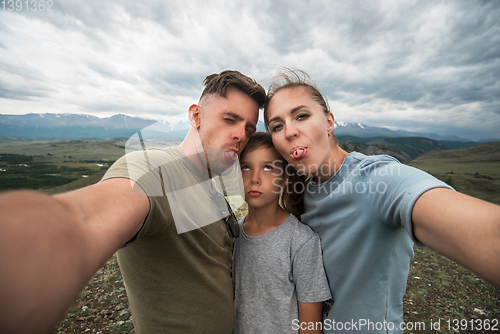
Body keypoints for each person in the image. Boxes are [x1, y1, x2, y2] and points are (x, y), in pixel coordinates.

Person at [0, 70, 266, 334]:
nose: (240, 135)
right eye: (229, 119)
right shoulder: (154, 170)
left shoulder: (212, 181)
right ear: (196, 116)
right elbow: (80, 219)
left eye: (249, 128)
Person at [264, 69, 500, 333]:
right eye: (277, 126)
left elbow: (484, 233)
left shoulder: (376, 178)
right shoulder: (301, 193)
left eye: (302, 116)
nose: (290, 132)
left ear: (329, 122)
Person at [232, 132, 331, 334]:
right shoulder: (231, 235)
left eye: (268, 167)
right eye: (246, 167)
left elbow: (310, 327)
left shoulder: (301, 242)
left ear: (285, 178)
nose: (255, 179)